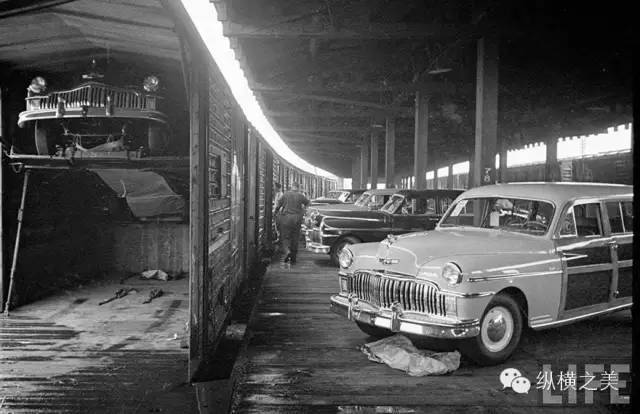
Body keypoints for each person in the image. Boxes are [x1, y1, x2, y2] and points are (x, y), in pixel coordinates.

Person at [274, 182, 309, 264]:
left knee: (284, 237)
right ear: (298, 188)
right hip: (297, 219)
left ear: (292, 187)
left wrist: (275, 212)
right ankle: (293, 258)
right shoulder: (300, 195)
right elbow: (308, 203)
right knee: (295, 238)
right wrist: (303, 211)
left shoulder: (285, 194)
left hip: (286, 218)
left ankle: (287, 251)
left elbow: (278, 205)